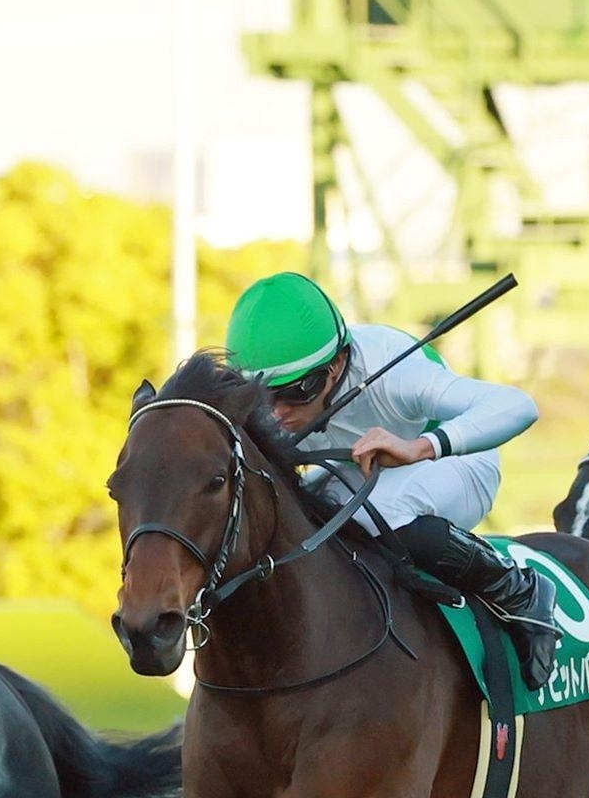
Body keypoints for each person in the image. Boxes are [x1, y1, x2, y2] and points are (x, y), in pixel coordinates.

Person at [225, 272, 561, 687]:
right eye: (261, 396)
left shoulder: (393, 372)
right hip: (360, 471)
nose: (276, 413)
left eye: (296, 392)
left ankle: (517, 589)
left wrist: (419, 447)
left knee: (374, 513)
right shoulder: (283, 396)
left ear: (336, 365)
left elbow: (519, 406)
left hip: (459, 464)